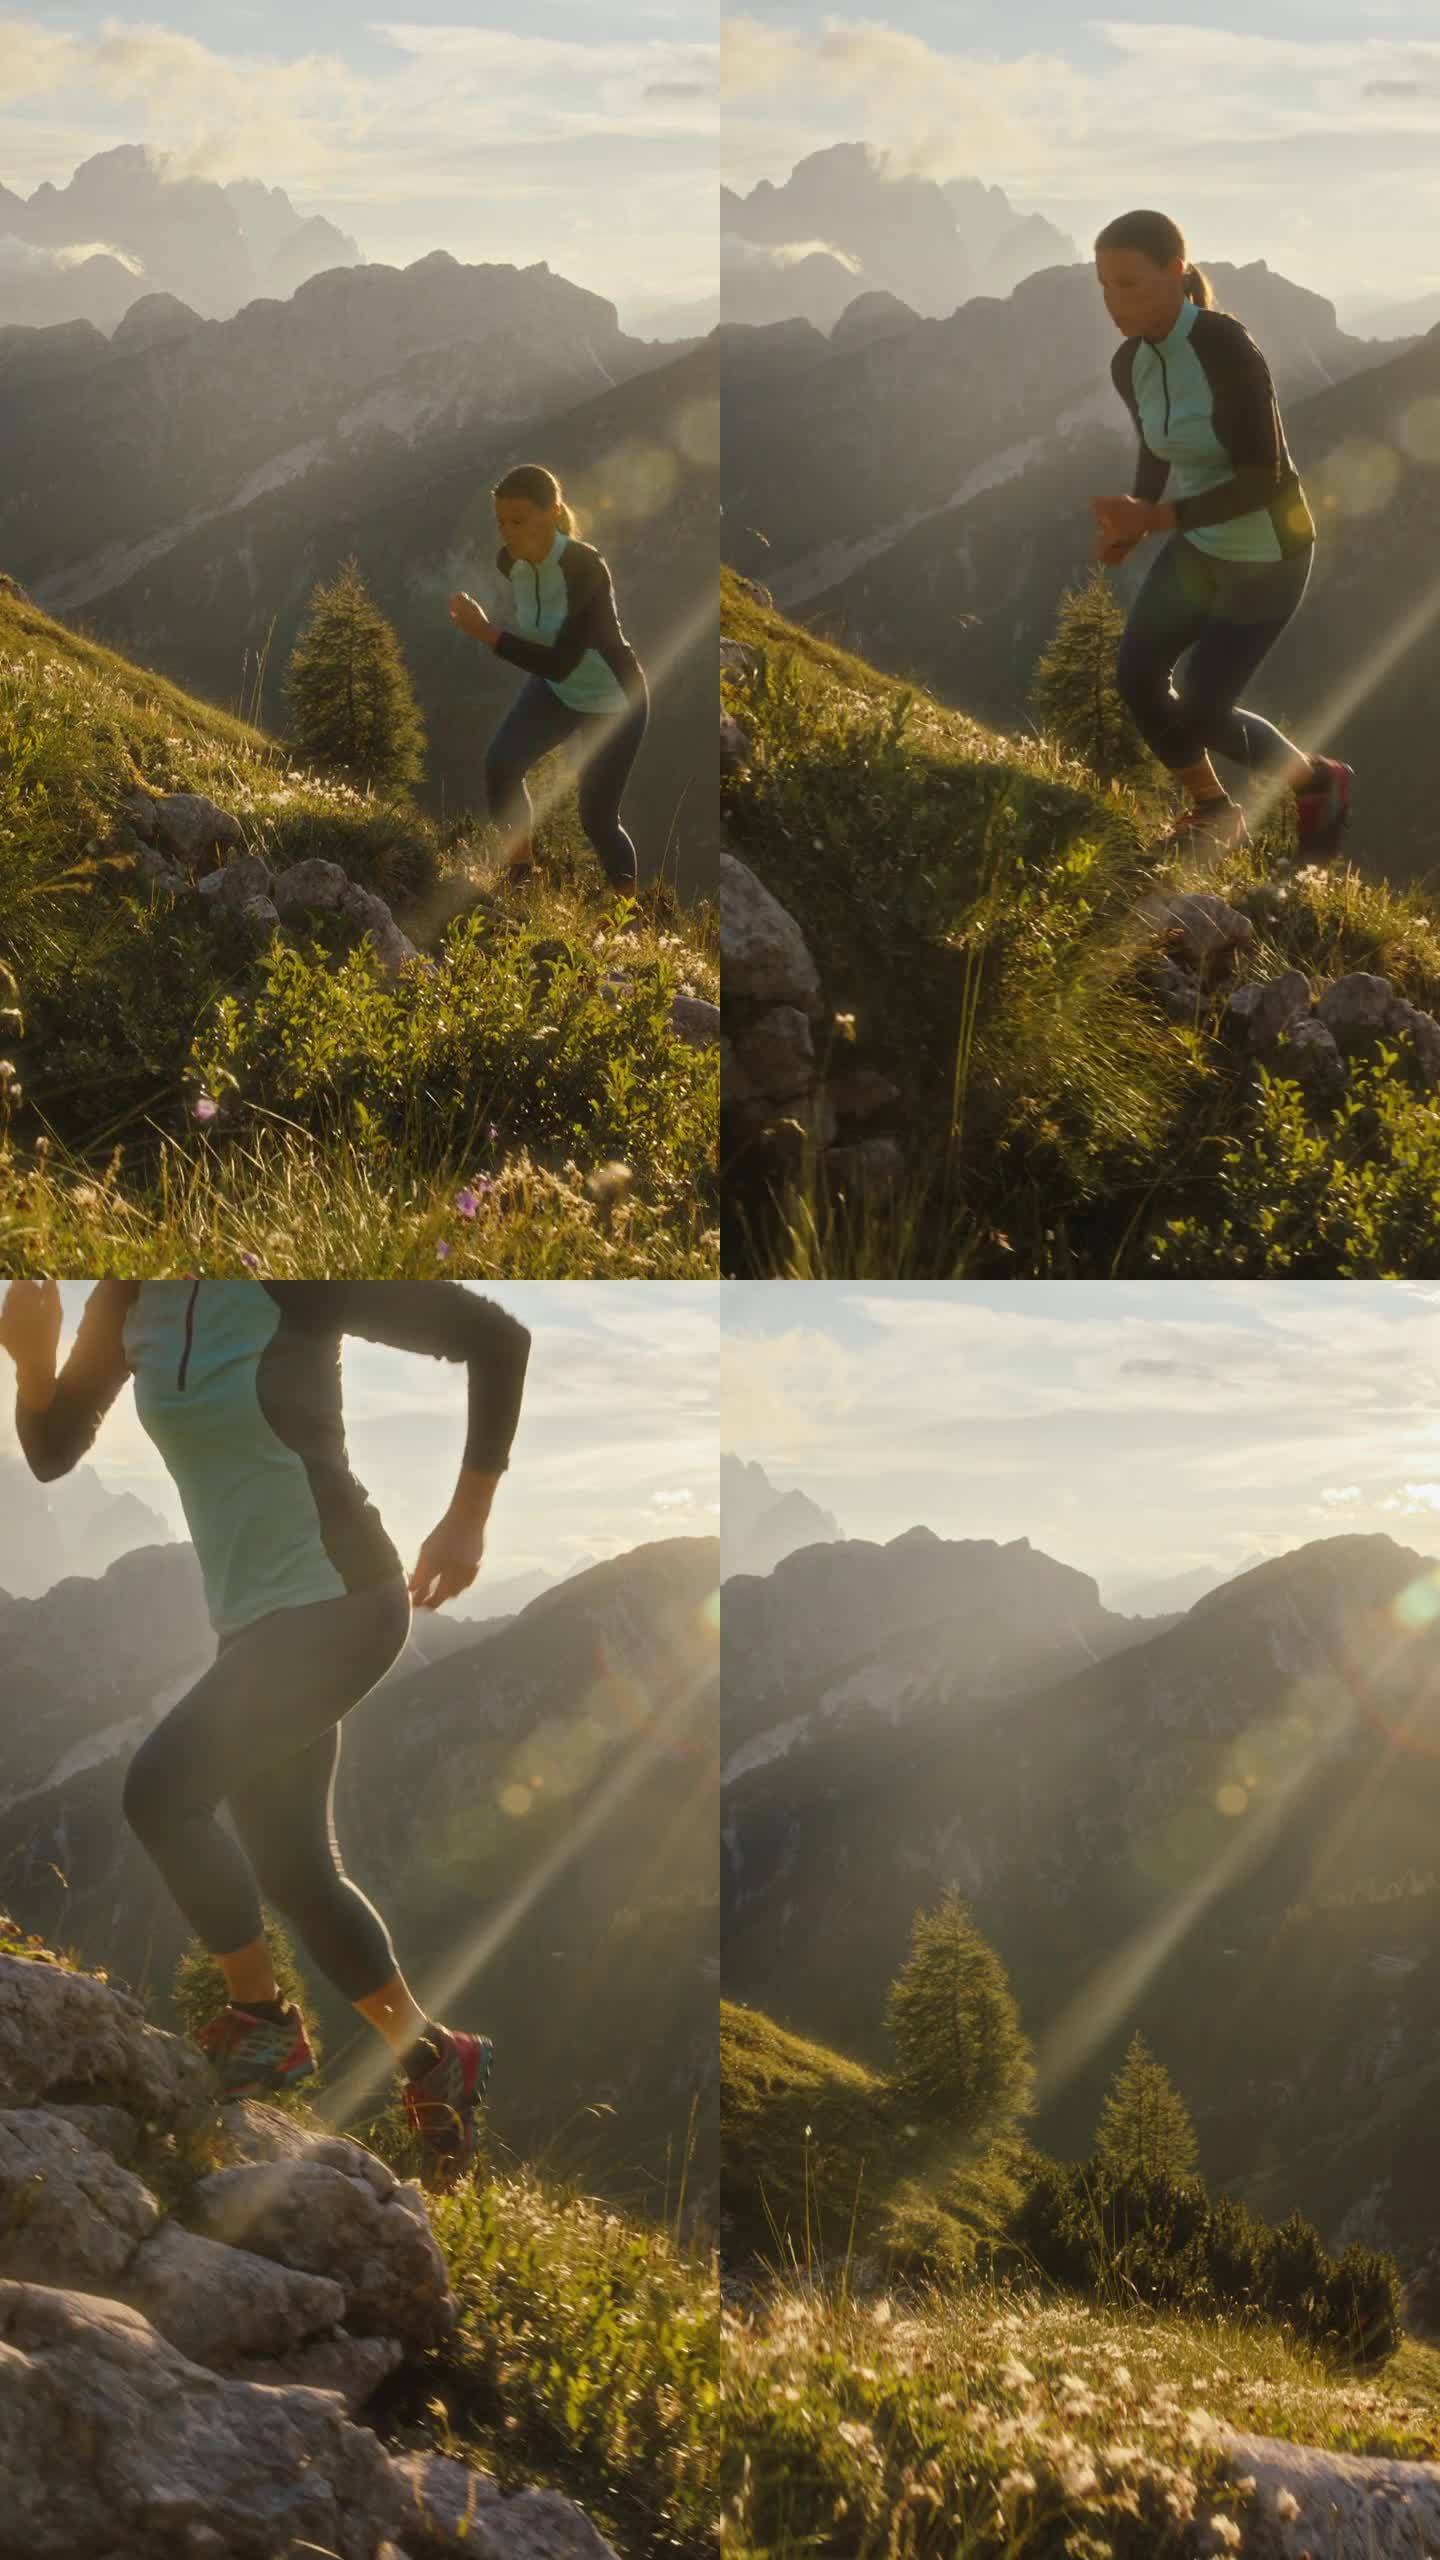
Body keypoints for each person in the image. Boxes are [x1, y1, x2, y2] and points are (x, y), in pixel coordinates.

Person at [0, 1276, 531, 2194]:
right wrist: (34, 1361)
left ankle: (262, 2021)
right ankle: (436, 2057)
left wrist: (469, 1519)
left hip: (344, 1599)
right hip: (253, 1622)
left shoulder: (294, 1283)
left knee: (160, 1792)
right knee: (295, 1873)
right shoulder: (128, 1300)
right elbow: (51, 1452)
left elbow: (498, 1337)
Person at [1089, 208, 1352, 857]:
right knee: (1138, 677)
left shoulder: (1224, 346)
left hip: (1269, 553)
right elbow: (1157, 449)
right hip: (1201, 546)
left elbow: (1264, 478)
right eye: (1103, 285)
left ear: (1176, 272)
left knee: (1204, 709)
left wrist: (1157, 520)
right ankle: (1212, 809)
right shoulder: (1131, 363)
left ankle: (1318, 780)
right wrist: (1137, 511)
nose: (1112, 303)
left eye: (1129, 284)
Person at [447, 463, 649, 895]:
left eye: (518, 521)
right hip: (557, 691)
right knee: (501, 764)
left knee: (597, 819)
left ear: (554, 511)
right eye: (501, 522)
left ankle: (628, 918)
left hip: (613, 699)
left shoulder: (584, 566)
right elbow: (553, 665)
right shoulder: (511, 562)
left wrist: (485, 631)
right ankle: (520, 877)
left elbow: (562, 661)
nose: (507, 532)